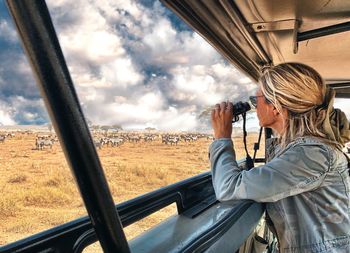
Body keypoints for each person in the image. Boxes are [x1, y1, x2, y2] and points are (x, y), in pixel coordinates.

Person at [210, 62, 350, 253]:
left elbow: (228, 187)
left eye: (255, 99)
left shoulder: (310, 153)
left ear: (275, 106)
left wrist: (221, 138)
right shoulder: (304, 149)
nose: (254, 105)